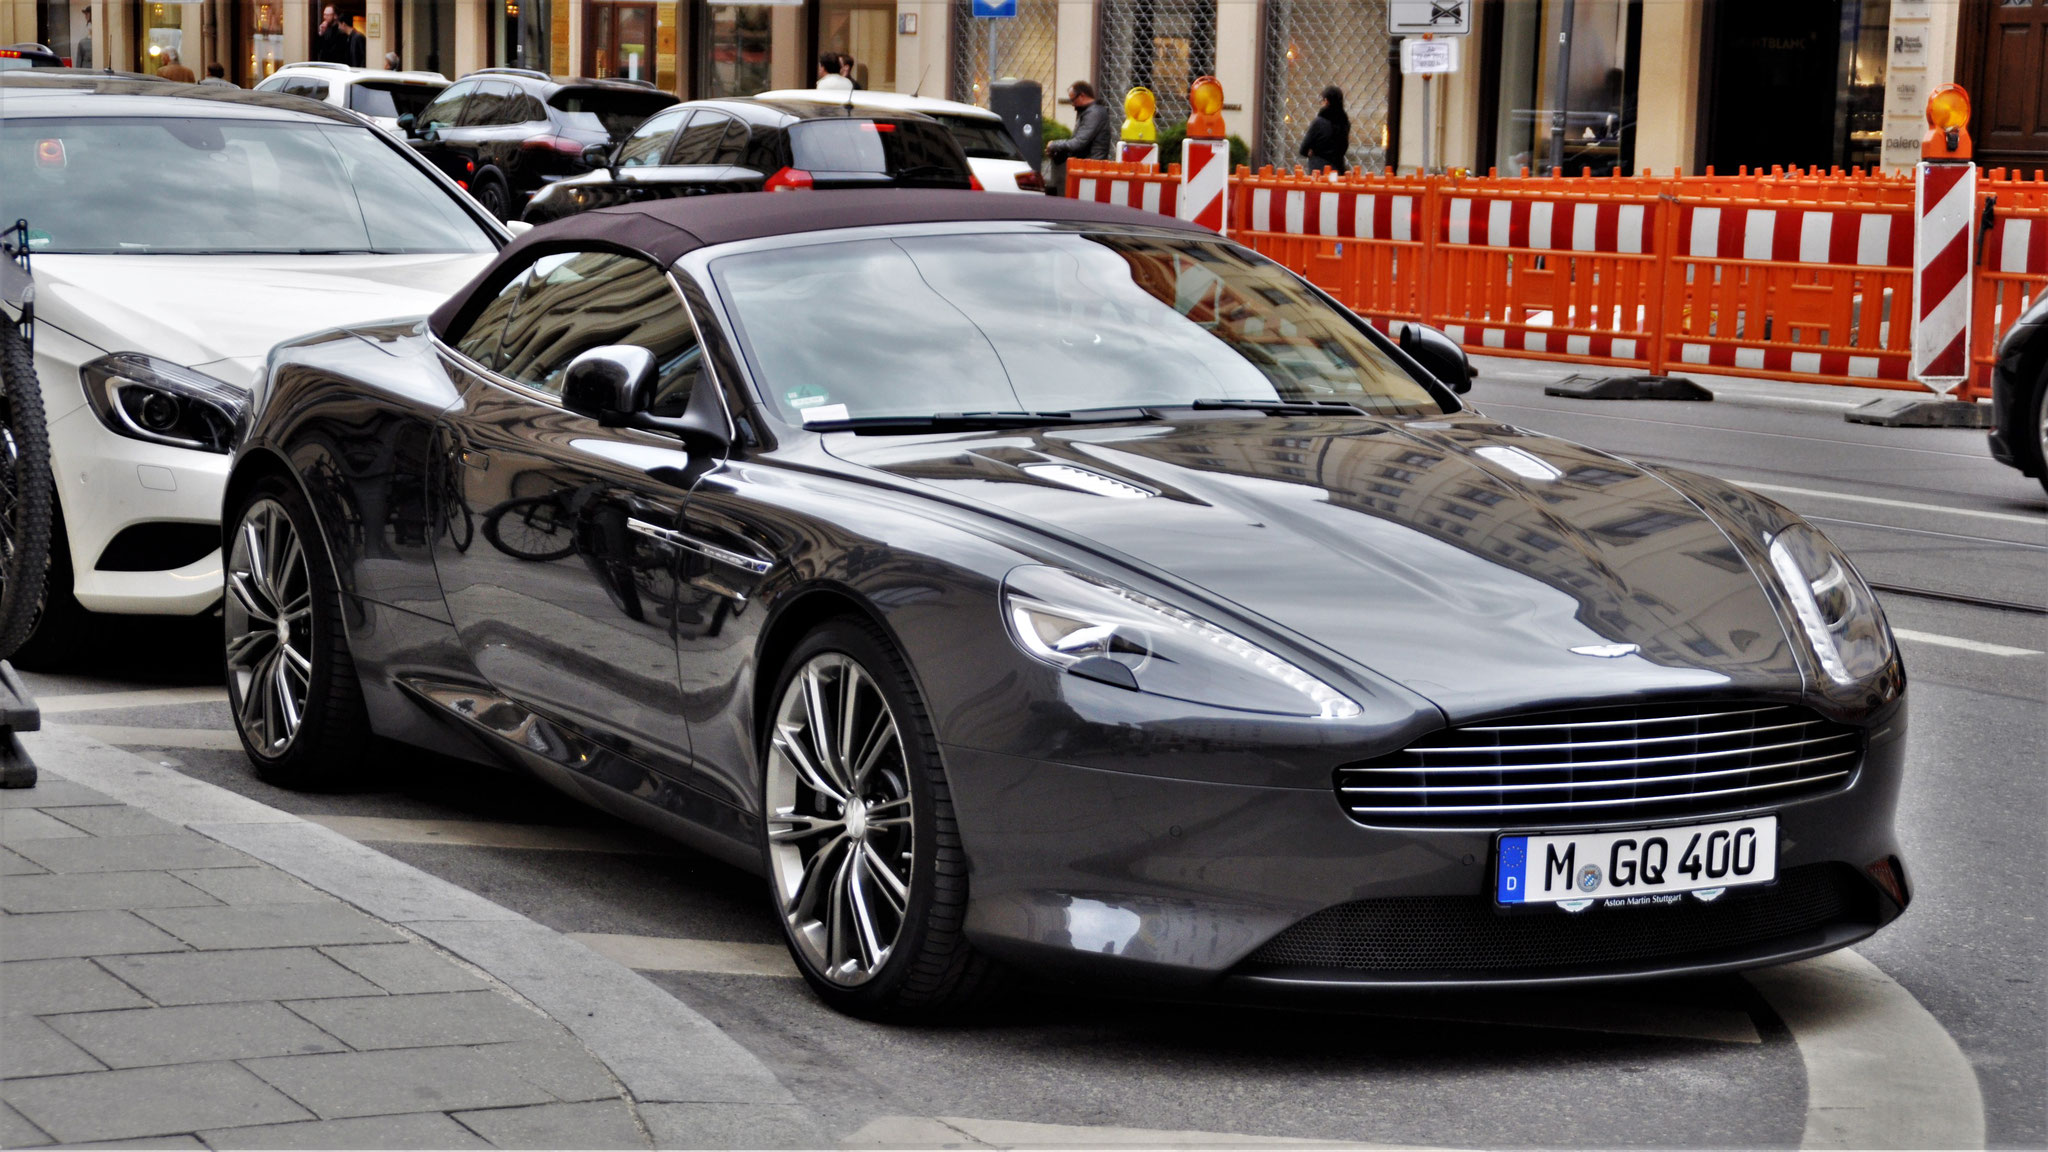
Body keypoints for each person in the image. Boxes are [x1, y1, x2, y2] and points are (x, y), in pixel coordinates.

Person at [1298, 84, 1349, 174]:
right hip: (1337, 170)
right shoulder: (1344, 123)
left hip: (1319, 171)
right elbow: (1343, 147)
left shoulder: (1319, 123)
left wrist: (1312, 152)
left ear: (1326, 101)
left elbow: (1303, 149)